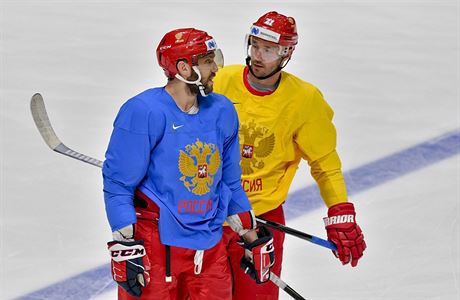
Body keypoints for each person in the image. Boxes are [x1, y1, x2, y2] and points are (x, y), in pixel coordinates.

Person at [102, 28, 275, 299]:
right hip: (155, 246)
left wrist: (250, 234)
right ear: (184, 67)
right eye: (207, 61)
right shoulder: (143, 111)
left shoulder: (222, 110)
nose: (215, 68)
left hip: (209, 245)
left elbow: (228, 180)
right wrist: (125, 242)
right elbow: (118, 184)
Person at [212, 11, 367, 299]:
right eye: (254, 45)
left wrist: (340, 210)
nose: (258, 56)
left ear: (286, 53)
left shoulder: (304, 101)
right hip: (206, 216)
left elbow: (325, 163)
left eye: (268, 50)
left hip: (260, 222)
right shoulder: (221, 81)